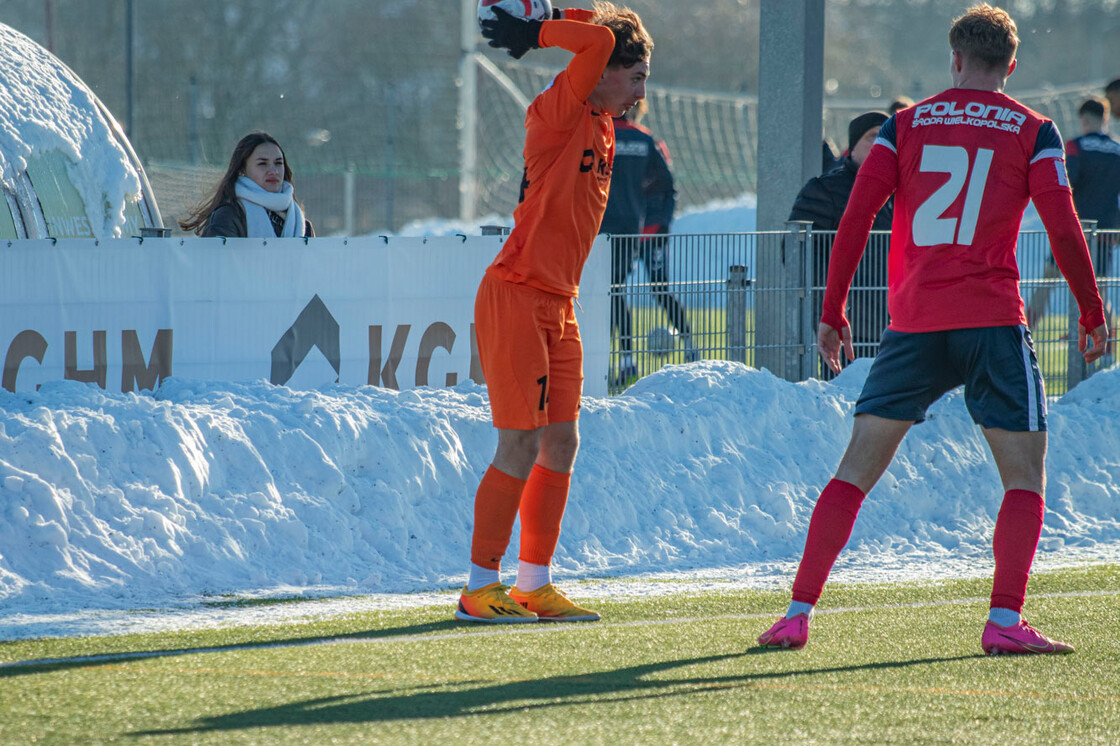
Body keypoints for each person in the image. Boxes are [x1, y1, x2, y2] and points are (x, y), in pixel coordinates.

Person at [758, 4, 1109, 655]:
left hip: (914, 326)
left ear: (953, 59)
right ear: (1012, 65)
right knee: (1023, 480)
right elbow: (1063, 226)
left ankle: (797, 611)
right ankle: (1004, 622)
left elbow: (858, 215)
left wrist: (832, 312)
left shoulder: (905, 123)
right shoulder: (1034, 129)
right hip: (992, 322)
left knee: (853, 472)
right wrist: (1091, 310)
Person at [456, 3, 652, 623]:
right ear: (598, 73)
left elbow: (603, 28)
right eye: (636, 75)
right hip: (516, 291)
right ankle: (477, 586)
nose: (643, 88)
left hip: (558, 303)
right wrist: (537, 24)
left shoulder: (603, 121)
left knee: (561, 442)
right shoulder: (560, 107)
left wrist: (550, 13)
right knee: (521, 439)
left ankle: (532, 584)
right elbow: (594, 38)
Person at [789, 111, 894, 372]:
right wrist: (831, 301)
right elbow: (798, 251)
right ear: (852, 147)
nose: (882, 144)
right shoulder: (824, 189)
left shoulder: (903, 192)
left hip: (896, 324)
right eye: (874, 137)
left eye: (888, 138)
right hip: (847, 325)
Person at [600, 99, 695, 386]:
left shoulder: (601, 136)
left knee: (614, 291)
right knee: (659, 289)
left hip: (611, 229)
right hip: (648, 228)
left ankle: (626, 359)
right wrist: (662, 224)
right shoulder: (647, 139)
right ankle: (691, 349)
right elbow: (668, 187)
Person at [1025, 97, 1120, 326]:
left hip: (1075, 227)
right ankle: (1107, 349)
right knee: (1097, 291)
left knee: (1048, 281)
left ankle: (1025, 334)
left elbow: (1069, 179)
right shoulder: (1117, 149)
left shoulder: (1075, 146)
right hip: (1105, 231)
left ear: (1084, 119)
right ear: (1105, 118)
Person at [179, 131, 315, 238]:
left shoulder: (302, 225)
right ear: (242, 170)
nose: (273, 171)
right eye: (263, 164)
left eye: (278, 163)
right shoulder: (228, 217)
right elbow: (215, 269)